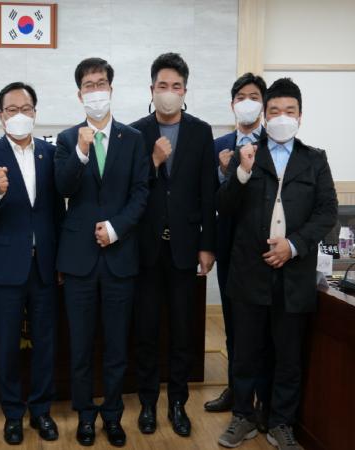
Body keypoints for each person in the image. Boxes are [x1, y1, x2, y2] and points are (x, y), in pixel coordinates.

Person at [217, 78, 338, 449]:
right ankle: (243, 416)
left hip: (293, 274)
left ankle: (280, 421)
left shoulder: (314, 159)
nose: (282, 117)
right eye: (275, 111)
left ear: (300, 115)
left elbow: (327, 212)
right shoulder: (249, 154)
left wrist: (294, 245)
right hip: (248, 272)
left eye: (289, 111)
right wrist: (240, 173)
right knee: (245, 352)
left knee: (287, 355)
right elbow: (225, 207)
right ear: (265, 116)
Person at [55, 57, 149, 447]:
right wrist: (80, 152)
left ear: (111, 89)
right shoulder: (66, 139)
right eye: (88, 85)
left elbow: (141, 192)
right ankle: (84, 415)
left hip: (119, 257)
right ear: (80, 94)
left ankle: (112, 415)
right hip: (78, 261)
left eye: (101, 84)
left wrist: (116, 228)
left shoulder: (133, 138)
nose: (95, 91)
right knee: (80, 347)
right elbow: (62, 187)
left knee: (115, 347)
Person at [130, 52, 216, 438]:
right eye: (162, 86)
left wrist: (207, 245)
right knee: (146, 331)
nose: (168, 92)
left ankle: (178, 404)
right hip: (146, 250)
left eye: (176, 86)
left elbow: (208, 193)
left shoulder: (200, 132)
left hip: (185, 248)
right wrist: (152, 160)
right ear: (151, 89)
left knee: (182, 333)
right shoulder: (135, 133)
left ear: (185, 91)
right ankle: (148, 403)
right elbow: (129, 189)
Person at [0, 82, 63, 445]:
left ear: (35, 113)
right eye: (12, 110)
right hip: (6, 267)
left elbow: (57, 212)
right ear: (1, 116)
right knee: (7, 345)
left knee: (45, 343)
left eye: (25, 109)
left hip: (44, 266)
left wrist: (60, 260)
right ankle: (12, 413)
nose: (19, 115)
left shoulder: (50, 153)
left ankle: (41, 411)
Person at [205, 73, 274, 429]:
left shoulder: (275, 143)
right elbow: (211, 199)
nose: (247, 102)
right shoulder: (219, 145)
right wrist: (224, 170)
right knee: (233, 324)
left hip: (265, 251)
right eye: (241, 96)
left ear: (263, 104)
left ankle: (263, 397)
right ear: (232, 104)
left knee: (263, 328)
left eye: (254, 96)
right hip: (229, 246)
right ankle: (236, 390)